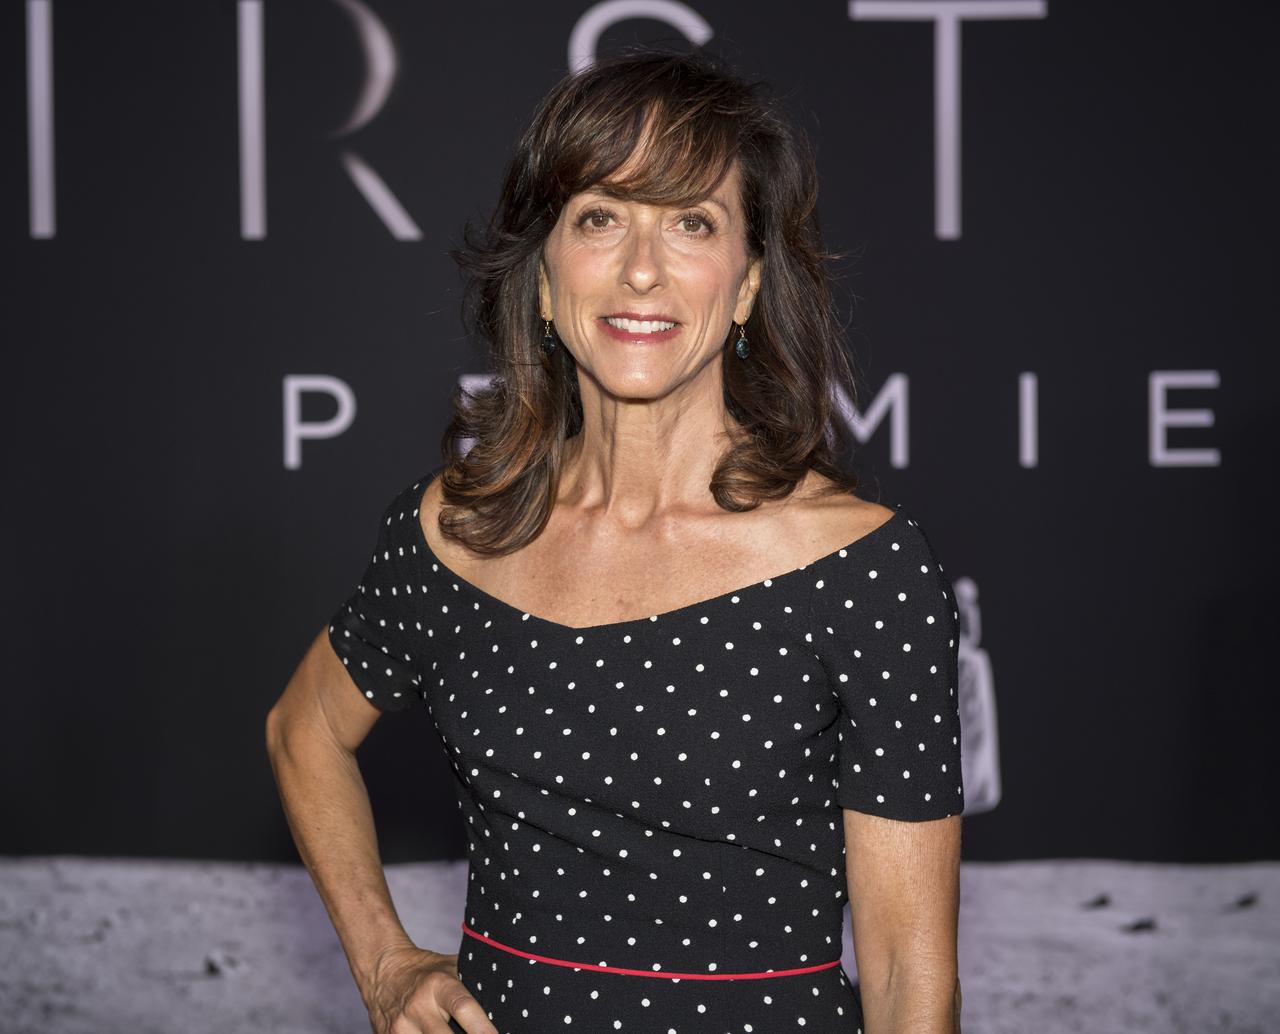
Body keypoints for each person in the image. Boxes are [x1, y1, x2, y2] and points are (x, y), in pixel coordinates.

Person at [266, 49, 965, 1034]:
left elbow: (906, 975)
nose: (642, 269)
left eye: (691, 222)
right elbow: (301, 732)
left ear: (746, 286)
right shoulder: (452, 534)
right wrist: (385, 963)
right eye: (600, 217)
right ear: (544, 281)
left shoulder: (861, 572)